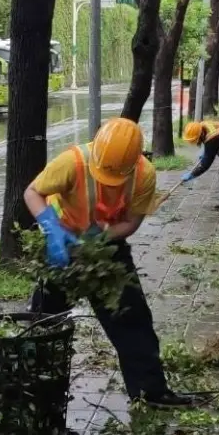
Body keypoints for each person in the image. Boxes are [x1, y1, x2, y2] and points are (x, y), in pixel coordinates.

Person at [24, 117, 193, 407]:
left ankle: (150, 392)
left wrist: (100, 238)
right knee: (45, 319)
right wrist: (52, 229)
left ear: (134, 161)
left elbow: (131, 223)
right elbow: (33, 192)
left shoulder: (144, 174)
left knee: (131, 317)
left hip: (107, 252)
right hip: (61, 245)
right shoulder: (73, 161)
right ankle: (32, 386)